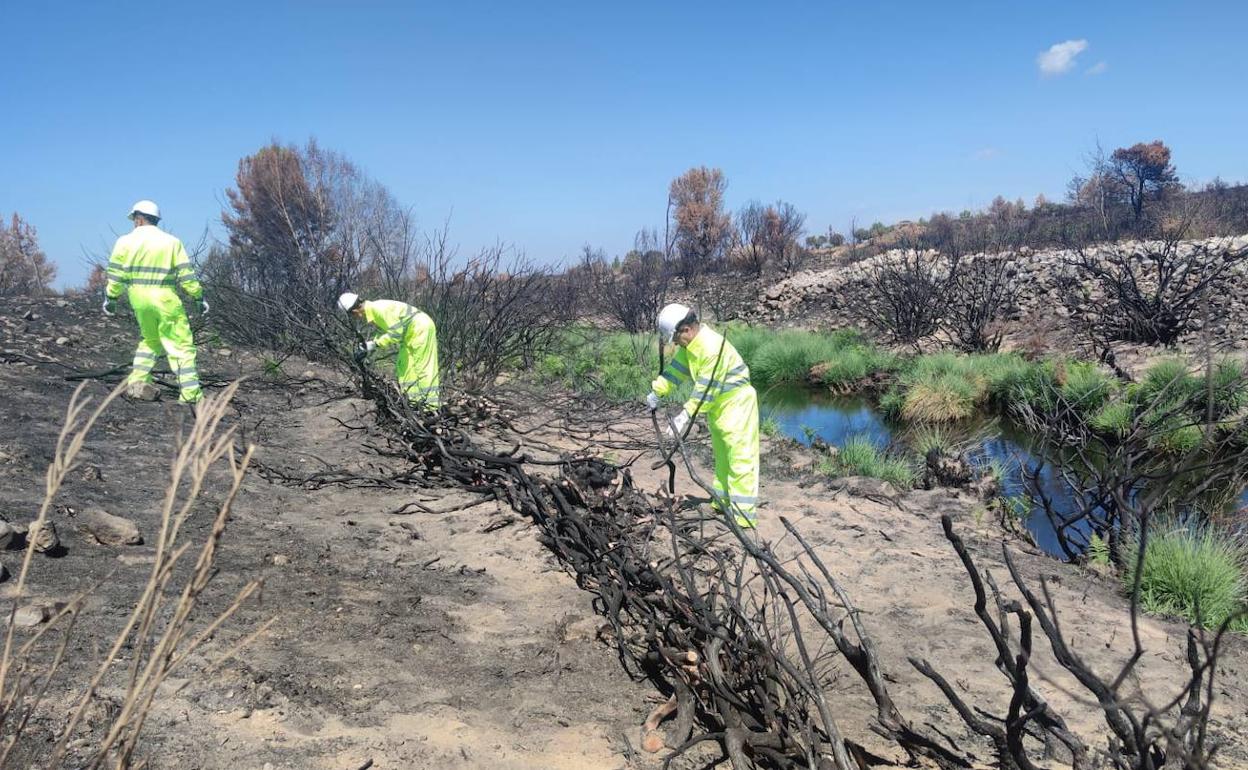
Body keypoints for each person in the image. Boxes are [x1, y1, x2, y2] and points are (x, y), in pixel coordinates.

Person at [646, 303, 760, 528]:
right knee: (723, 458)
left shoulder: (710, 347)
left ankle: (743, 517)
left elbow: (706, 390)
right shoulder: (691, 348)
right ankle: (722, 503)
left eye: (676, 339)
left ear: (686, 329)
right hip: (720, 408)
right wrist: (657, 391)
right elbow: (676, 372)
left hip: (737, 404)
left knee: (740, 459)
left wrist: (684, 416)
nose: (676, 343)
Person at [103, 200, 206, 405]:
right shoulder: (171, 242)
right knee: (181, 345)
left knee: (150, 340)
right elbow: (186, 274)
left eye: (134, 219)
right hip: (165, 298)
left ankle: (138, 382)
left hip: (138, 299)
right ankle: (190, 394)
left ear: (139, 219)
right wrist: (198, 297)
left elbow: (115, 275)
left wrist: (111, 298)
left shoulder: (124, 242)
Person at [338, 293, 440, 408]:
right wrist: (368, 345)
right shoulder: (375, 310)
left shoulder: (379, 309)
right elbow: (392, 330)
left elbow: (396, 333)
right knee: (405, 367)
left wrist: (375, 344)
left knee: (424, 367)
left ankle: (431, 407)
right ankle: (414, 403)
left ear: (355, 312)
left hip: (421, 329)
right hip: (410, 334)